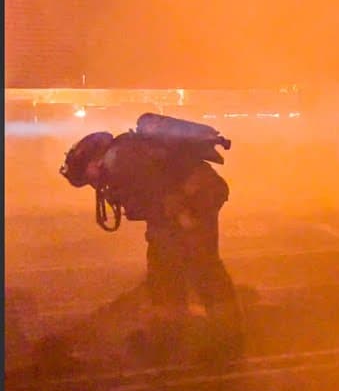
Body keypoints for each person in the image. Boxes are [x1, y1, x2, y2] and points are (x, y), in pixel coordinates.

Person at [60, 117, 243, 363]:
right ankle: (175, 337)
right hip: (191, 201)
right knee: (167, 270)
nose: (93, 184)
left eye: (88, 176)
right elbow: (157, 199)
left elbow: (164, 194)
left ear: (92, 160)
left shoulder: (119, 160)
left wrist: (187, 223)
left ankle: (223, 340)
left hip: (192, 201)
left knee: (199, 268)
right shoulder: (124, 154)